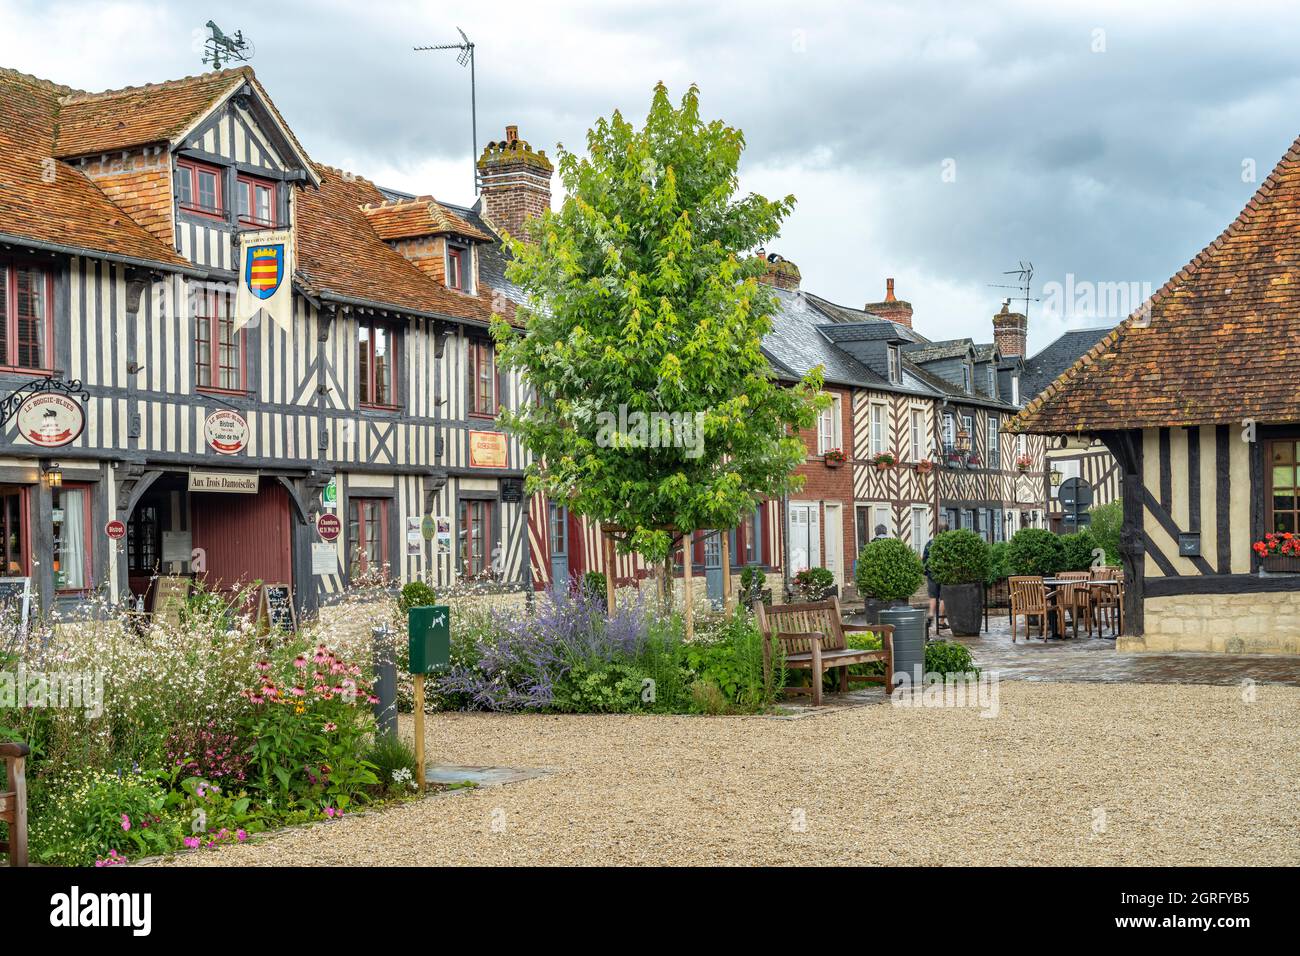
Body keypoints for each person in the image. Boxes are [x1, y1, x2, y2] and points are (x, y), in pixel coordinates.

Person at [924, 521, 948, 632]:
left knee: (933, 596)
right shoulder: (948, 544)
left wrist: (927, 572)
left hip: (932, 574)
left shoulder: (930, 543)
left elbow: (924, 560)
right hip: (944, 574)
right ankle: (941, 621)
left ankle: (930, 615)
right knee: (943, 597)